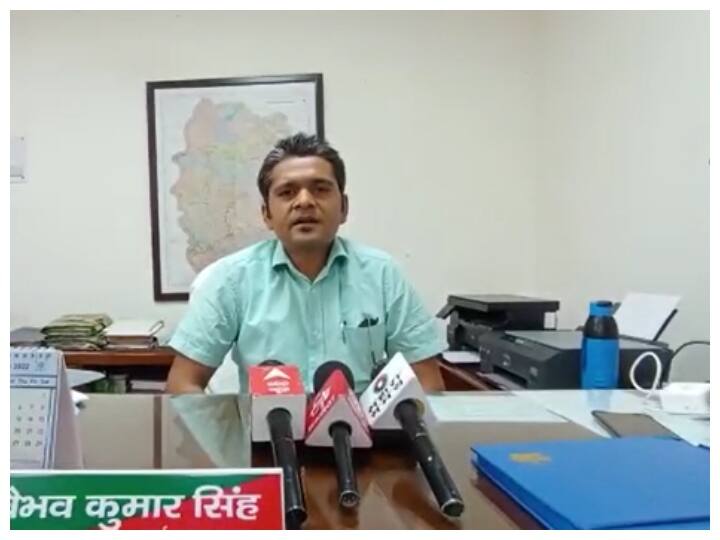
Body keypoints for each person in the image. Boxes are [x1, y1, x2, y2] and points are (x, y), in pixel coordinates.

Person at [166, 133, 446, 394]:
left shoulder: (383, 275)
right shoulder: (230, 280)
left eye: (320, 189)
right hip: (265, 429)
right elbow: (183, 384)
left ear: (344, 208)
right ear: (266, 214)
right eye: (287, 192)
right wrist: (224, 429)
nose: (304, 202)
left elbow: (427, 382)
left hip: (362, 429)